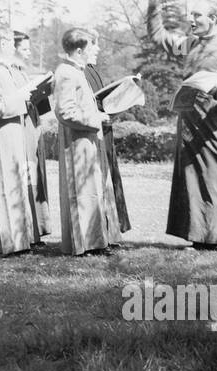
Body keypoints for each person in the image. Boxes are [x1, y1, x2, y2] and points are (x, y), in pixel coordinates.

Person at [146, 0, 217, 248]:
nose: (191, 20)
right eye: (191, 15)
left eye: (197, 15)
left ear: (213, 18)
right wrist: (153, 6)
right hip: (190, 122)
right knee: (194, 179)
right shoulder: (189, 44)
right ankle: (200, 238)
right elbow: (160, 37)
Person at [53, 28, 122, 256]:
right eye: (91, 47)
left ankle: (95, 240)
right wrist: (97, 118)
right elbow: (66, 112)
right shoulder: (66, 73)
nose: (95, 51)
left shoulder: (77, 71)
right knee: (82, 192)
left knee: (94, 191)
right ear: (80, 50)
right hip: (77, 143)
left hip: (89, 140)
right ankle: (85, 243)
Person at [0, 26, 39, 257]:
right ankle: (5, 242)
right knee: (4, 185)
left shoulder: (3, 69)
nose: (14, 47)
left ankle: (19, 240)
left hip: (14, 132)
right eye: (11, 43)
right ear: (2, 44)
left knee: (16, 185)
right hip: (1, 135)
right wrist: (21, 97)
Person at [82, 44, 131, 235]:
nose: (97, 49)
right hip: (95, 128)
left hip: (104, 126)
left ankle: (113, 228)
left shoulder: (92, 70)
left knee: (110, 177)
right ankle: (104, 229)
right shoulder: (82, 73)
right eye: (93, 45)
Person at [13, 30, 50, 236]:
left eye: (29, 49)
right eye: (24, 49)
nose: (28, 53)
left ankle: (38, 226)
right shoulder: (11, 71)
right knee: (28, 175)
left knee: (35, 173)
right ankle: (30, 229)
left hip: (32, 124)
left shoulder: (23, 71)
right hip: (23, 129)